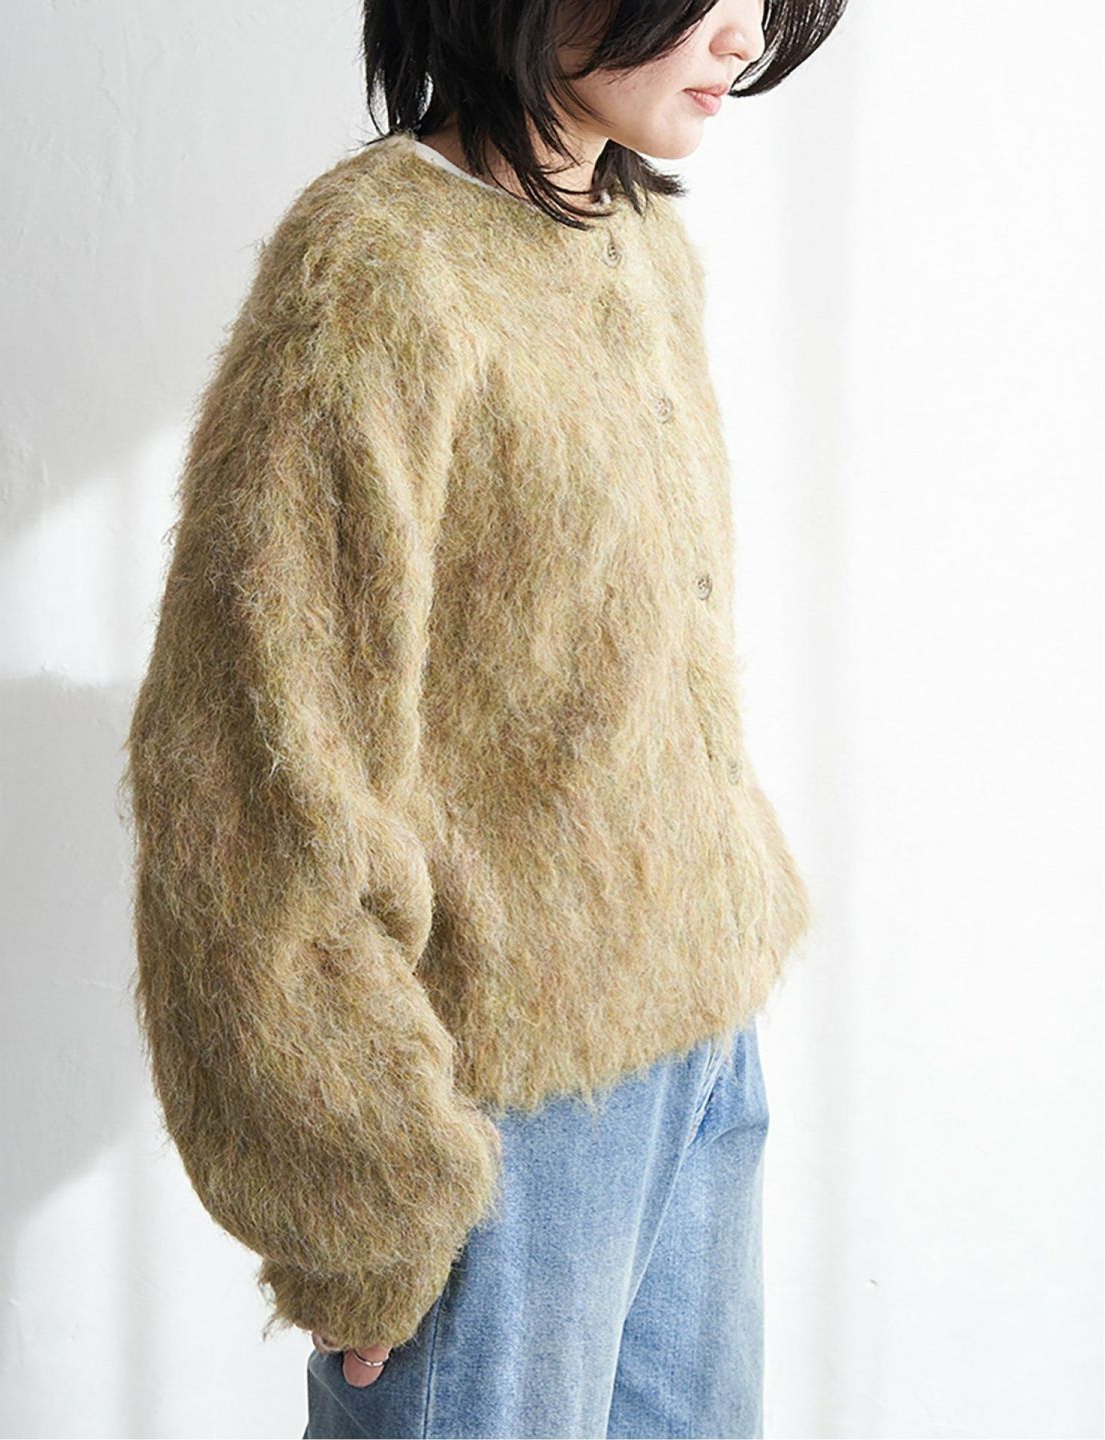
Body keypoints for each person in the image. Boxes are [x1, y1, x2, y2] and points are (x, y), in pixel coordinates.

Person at [120, 0, 846, 1435]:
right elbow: (253, 766)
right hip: (500, 1131)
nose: (746, 35)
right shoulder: (380, 273)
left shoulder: (638, 236)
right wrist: (359, 1192)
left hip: (702, 1064)